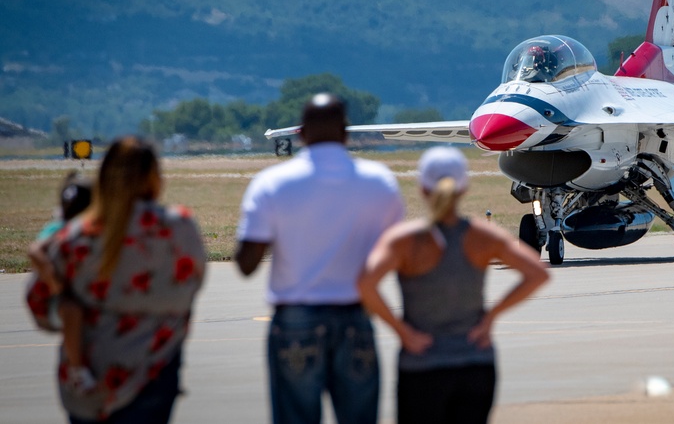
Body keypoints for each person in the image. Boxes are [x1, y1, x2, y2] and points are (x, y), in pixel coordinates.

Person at [234, 93, 405, 424]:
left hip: (295, 321)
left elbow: (246, 265)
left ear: (300, 134)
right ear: (345, 132)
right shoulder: (379, 182)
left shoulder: (271, 184)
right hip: (356, 316)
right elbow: (395, 253)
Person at [357, 146, 550, 424]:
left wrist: (401, 330)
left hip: (421, 364)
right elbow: (537, 273)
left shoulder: (404, 240)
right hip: (476, 364)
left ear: (423, 188)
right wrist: (490, 317)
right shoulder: (483, 235)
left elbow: (365, 283)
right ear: (464, 188)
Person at [25, 136, 206, 423]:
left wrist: (69, 306)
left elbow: (38, 303)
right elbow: (192, 284)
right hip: (152, 373)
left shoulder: (76, 237)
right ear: (154, 178)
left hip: (87, 384)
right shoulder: (179, 227)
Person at [31, 171, 96, 395]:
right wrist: (54, 281)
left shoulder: (92, 228)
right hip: (57, 299)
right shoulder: (58, 230)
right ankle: (77, 370)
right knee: (72, 310)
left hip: (87, 291)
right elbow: (35, 251)